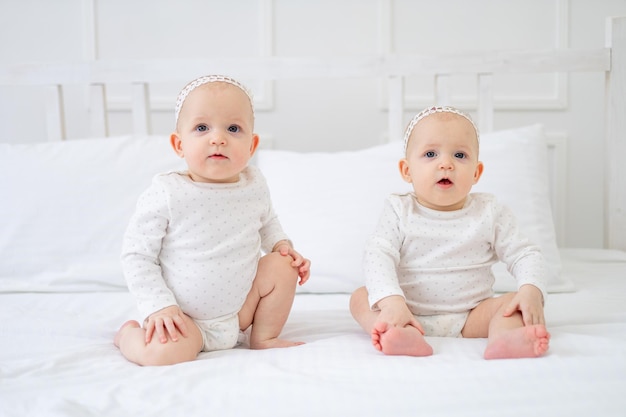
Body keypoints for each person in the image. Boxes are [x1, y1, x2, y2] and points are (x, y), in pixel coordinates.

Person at [114, 75, 311, 366]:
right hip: (185, 320)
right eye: (202, 127)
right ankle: (127, 336)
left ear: (252, 145)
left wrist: (282, 244)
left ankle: (264, 336)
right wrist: (159, 306)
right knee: (162, 355)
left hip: (241, 313)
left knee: (283, 264)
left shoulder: (254, 183)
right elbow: (136, 256)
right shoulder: (168, 192)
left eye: (233, 128)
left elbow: (267, 221)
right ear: (178, 144)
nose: (218, 138)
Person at [349, 106, 550, 359]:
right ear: (407, 170)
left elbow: (525, 253)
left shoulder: (490, 212)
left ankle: (506, 338)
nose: (446, 164)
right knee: (360, 298)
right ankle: (398, 333)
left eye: (460, 155)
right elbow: (378, 254)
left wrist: (531, 289)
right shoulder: (399, 210)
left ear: (476, 172)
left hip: (472, 315)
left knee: (512, 302)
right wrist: (392, 303)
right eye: (430, 154)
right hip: (406, 310)